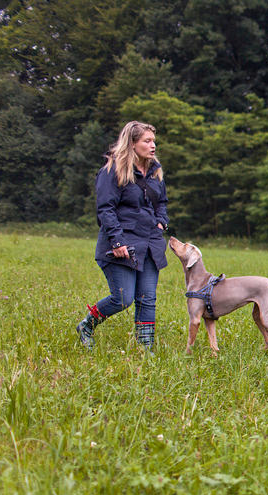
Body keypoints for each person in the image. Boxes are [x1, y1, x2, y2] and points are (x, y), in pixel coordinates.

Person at [75, 121, 170, 352]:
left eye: (154, 141)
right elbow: (106, 209)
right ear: (132, 143)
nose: (153, 145)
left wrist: (161, 221)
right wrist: (117, 241)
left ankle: (145, 350)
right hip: (121, 244)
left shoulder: (155, 172)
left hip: (150, 244)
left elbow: (162, 202)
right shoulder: (112, 170)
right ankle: (86, 326)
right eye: (147, 141)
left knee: (147, 299)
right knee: (122, 299)